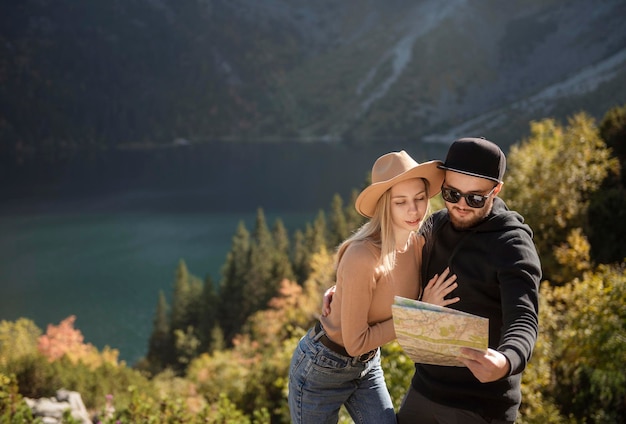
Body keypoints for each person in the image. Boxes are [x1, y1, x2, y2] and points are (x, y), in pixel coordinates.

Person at [288, 150, 459, 424]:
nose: (413, 210)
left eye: (419, 199)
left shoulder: (418, 245)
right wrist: (420, 312)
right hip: (322, 367)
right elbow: (356, 343)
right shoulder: (361, 255)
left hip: (367, 365)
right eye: (400, 202)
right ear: (385, 206)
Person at [395, 137, 542, 424]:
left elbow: (524, 318)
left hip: (479, 407)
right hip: (423, 392)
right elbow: (392, 257)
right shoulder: (435, 224)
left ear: (496, 190)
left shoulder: (512, 244)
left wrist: (505, 361)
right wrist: (348, 285)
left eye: (475, 198)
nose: (460, 206)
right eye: (451, 194)